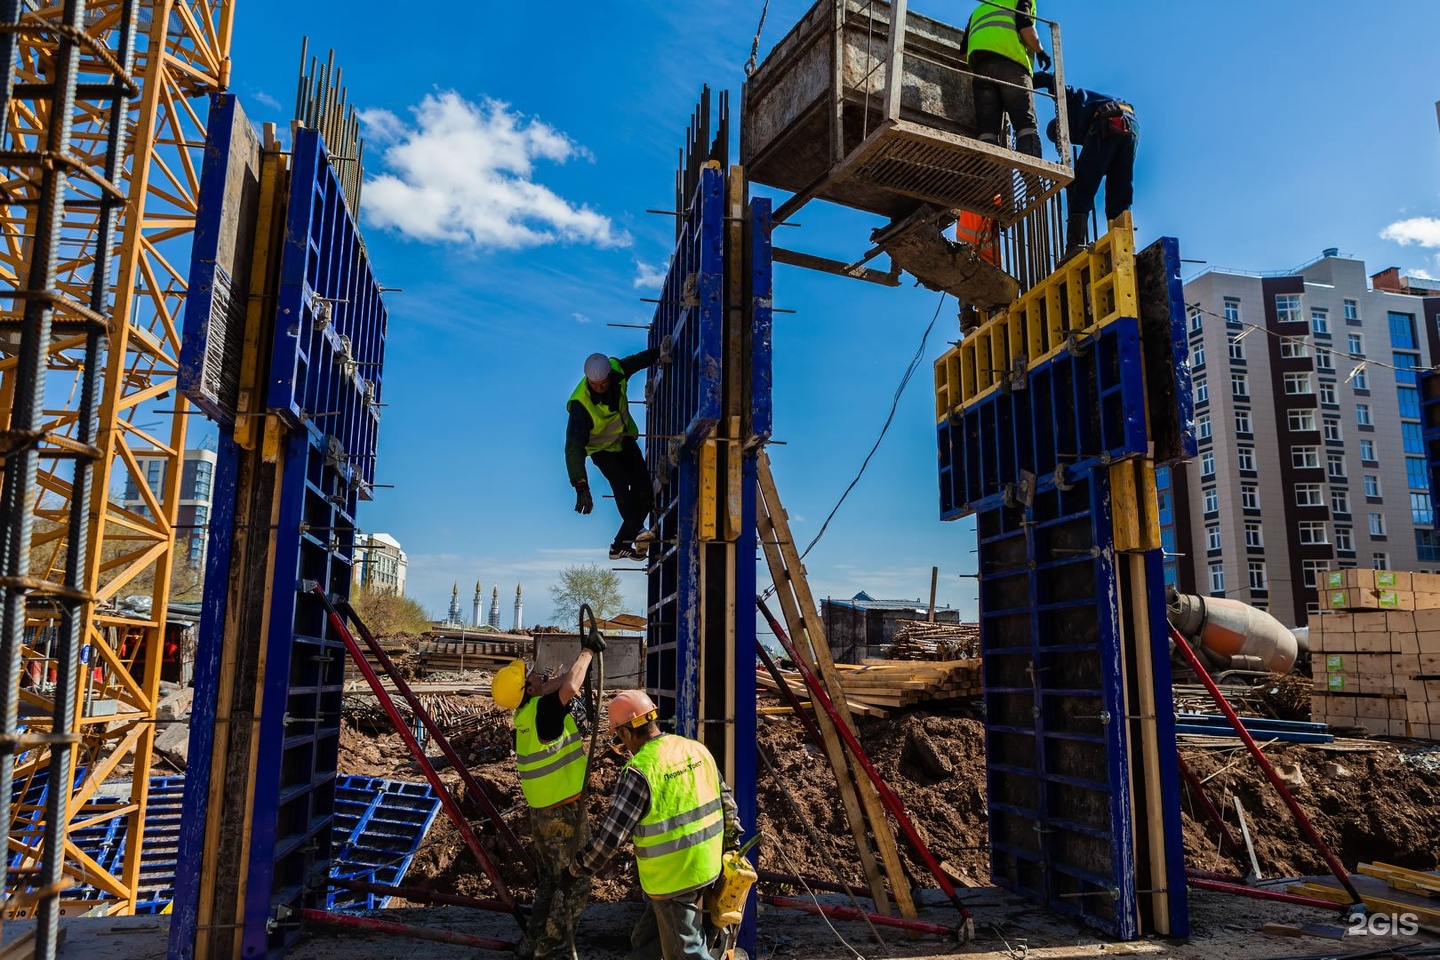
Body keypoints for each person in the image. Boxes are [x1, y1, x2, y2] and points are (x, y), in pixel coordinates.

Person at [563, 690, 742, 960]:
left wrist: (576, 870)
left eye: (618, 736)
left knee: (687, 954)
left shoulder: (640, 771)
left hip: (674, 879)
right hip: (708, 866)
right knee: (647, 942)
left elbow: (610, 838)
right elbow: (728, 804)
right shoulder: (695, 749)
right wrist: (731, 846)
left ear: (625, 732)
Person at [489, 632, 606, 960]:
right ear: (528, 689)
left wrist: (572, 670)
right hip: (562, 816)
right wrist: (587, 652)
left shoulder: (524, 714)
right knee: (575, 883)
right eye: (531, 676)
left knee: (551, 883)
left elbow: (556, 686)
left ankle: (532, 946)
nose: (538, 674)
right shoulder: (544, 713)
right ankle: (552, 952)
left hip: (541, 814)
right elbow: (568, 688)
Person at [566, 339, 671, 561]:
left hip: (623, 440)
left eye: (603, 383)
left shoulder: (617, 371)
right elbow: (573, 448)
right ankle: (638, 532)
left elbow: (636, 362)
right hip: (601, 450)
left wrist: (658, 352)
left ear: (609, 376)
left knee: (644, 490)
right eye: (595, 385)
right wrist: (580, 486)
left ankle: (619, 546)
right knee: (620, 485)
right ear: (588, 380)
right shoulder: (580, 406)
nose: (600, 387)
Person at [1034, 71, 1139, 258]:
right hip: (1131, 125)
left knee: (1082, 185)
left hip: (1106, 119)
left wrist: (1025, 80)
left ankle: (1074, 244)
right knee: (1120, 191)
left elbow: (1051, 80)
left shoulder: (1071, 103)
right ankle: (1124, 246)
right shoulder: (1086, 119)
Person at [963, 0, 1051, 158]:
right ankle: (1031, 178)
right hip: (1011, 64)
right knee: (1025, 125)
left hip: (981, 68)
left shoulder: (980, 8)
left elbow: (963, 51)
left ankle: (989, 173)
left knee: (987, 130)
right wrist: (1040, 51)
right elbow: (1025, 26)